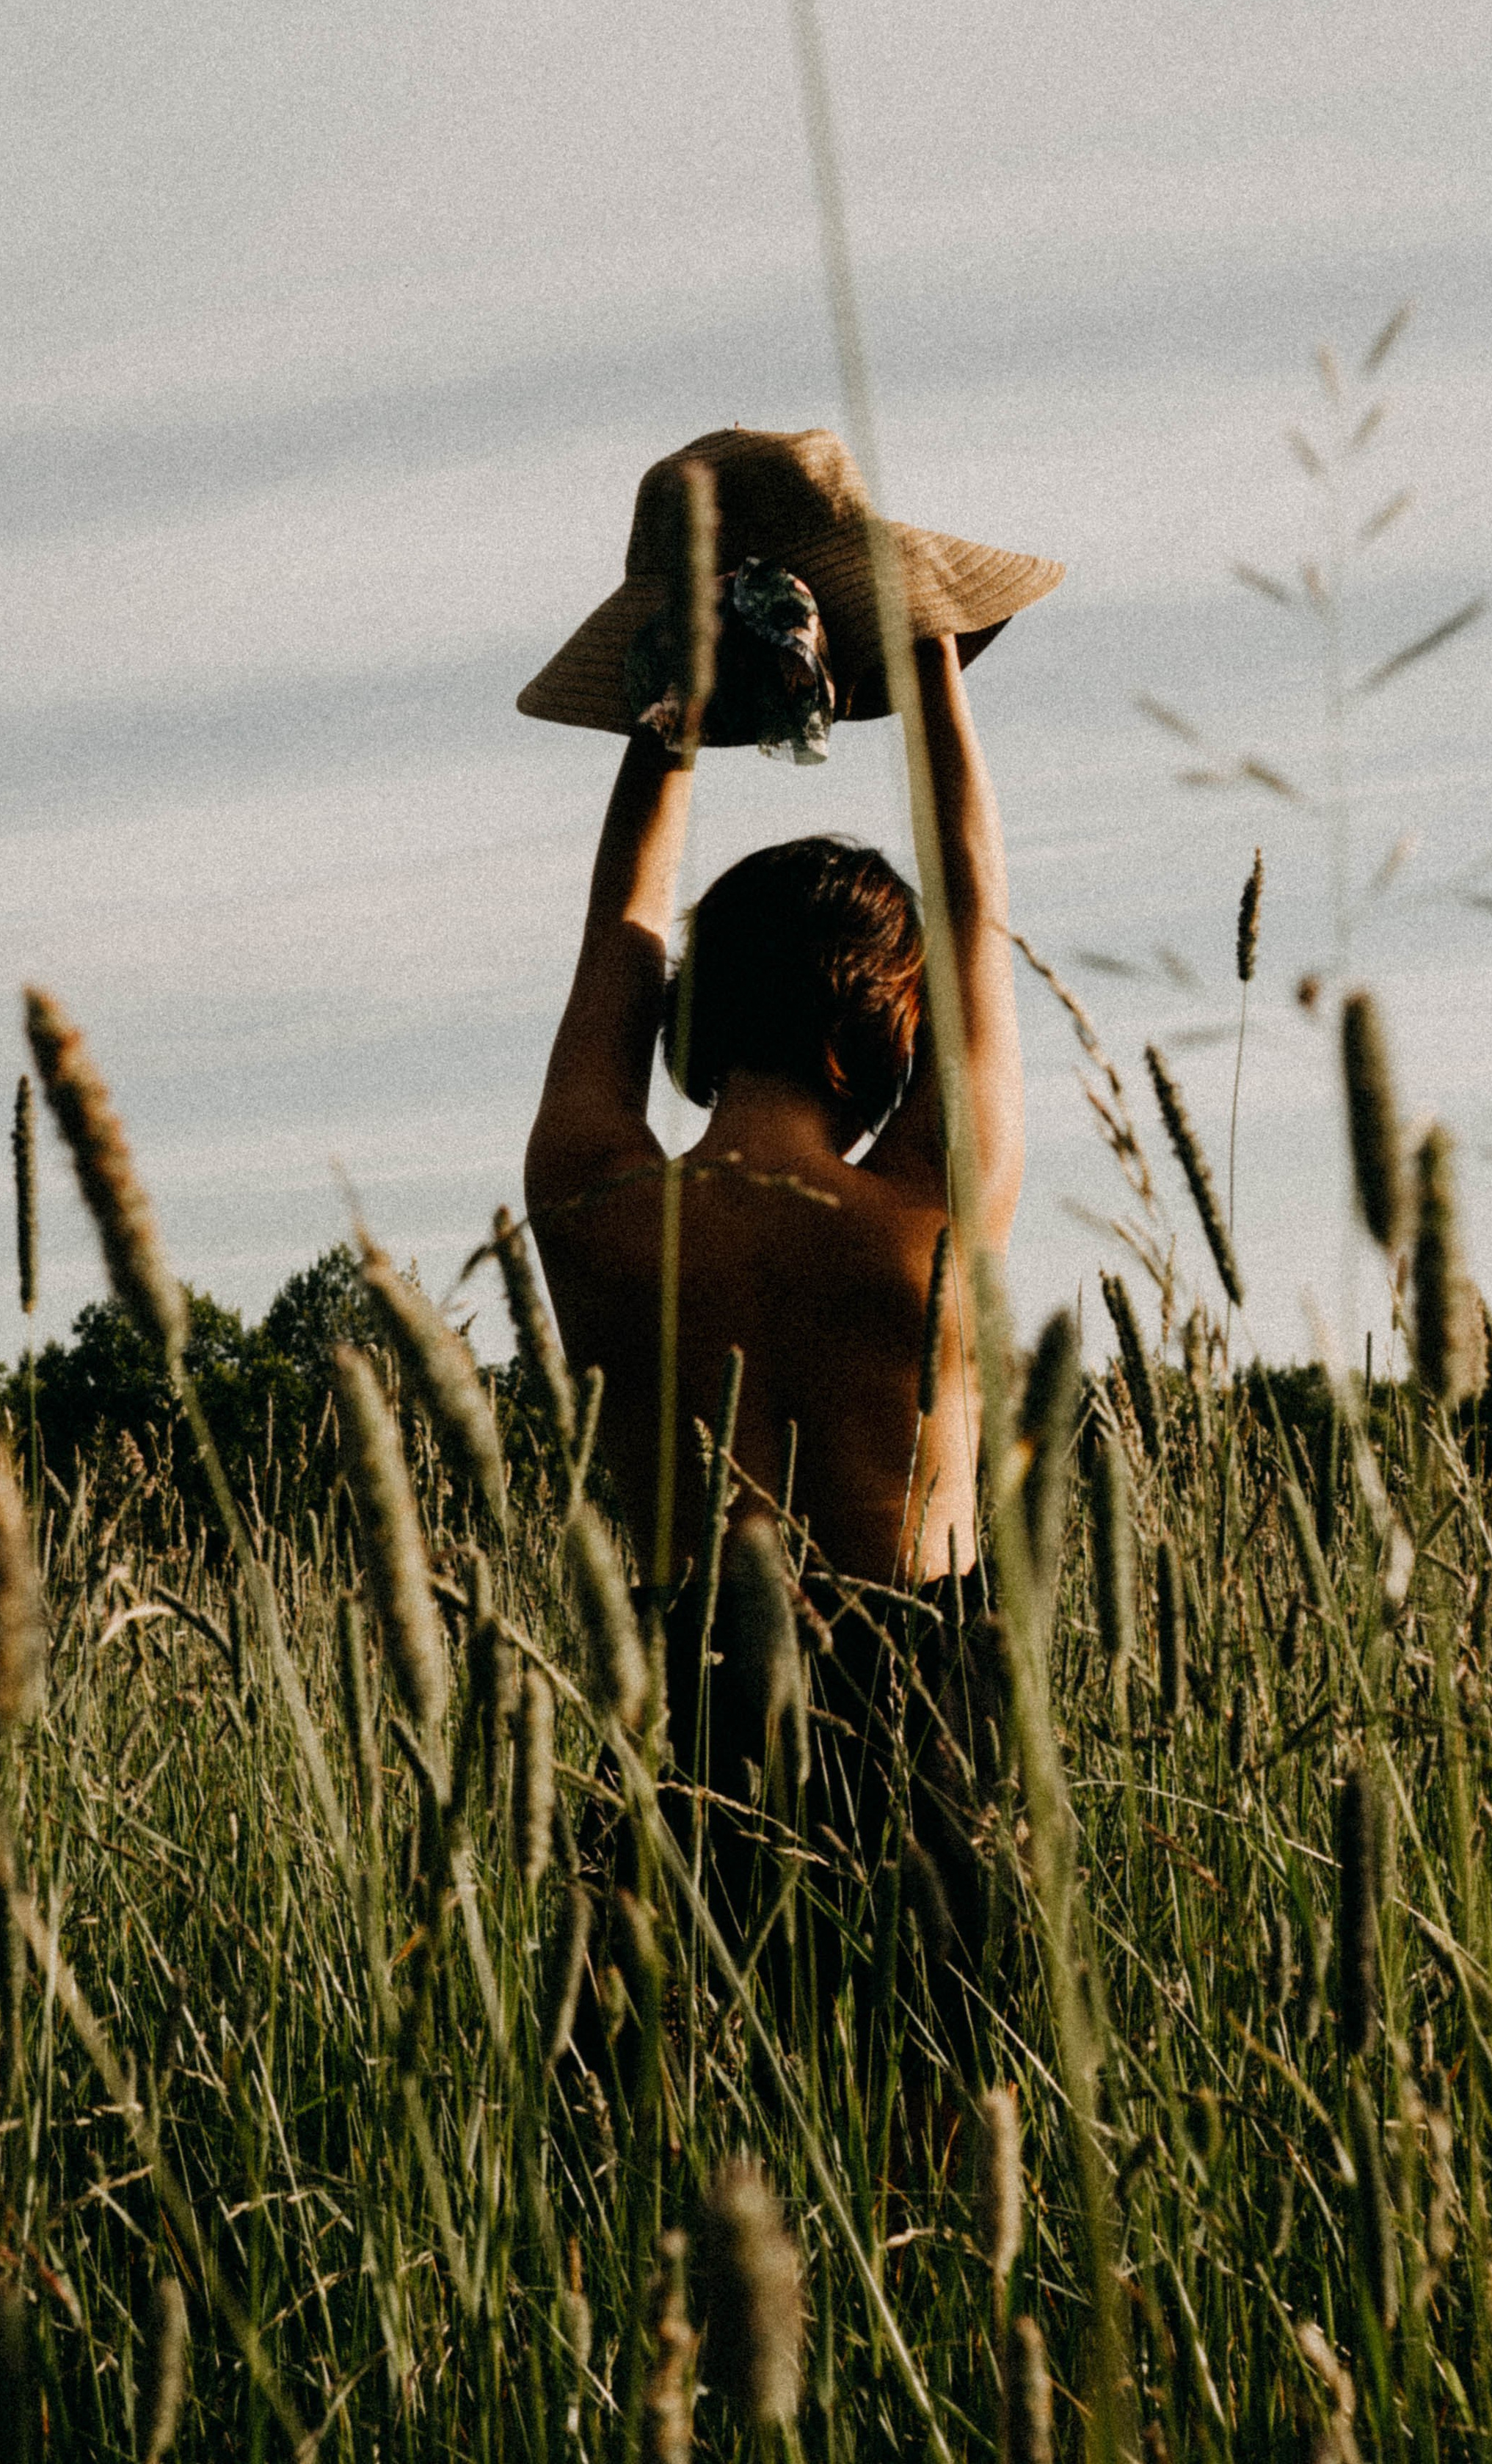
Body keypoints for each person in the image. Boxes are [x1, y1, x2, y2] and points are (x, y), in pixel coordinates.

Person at [518, 424, 1058, 2063]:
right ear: (883, 1032)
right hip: (918, 1748)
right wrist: (931, 660)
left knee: (653, 2222)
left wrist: (669, 725)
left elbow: (618, 925)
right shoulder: (923, 1215)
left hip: (674, 1732)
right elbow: (968, 900)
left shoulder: (597, 1201)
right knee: (925, 2217)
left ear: (688, 1018)